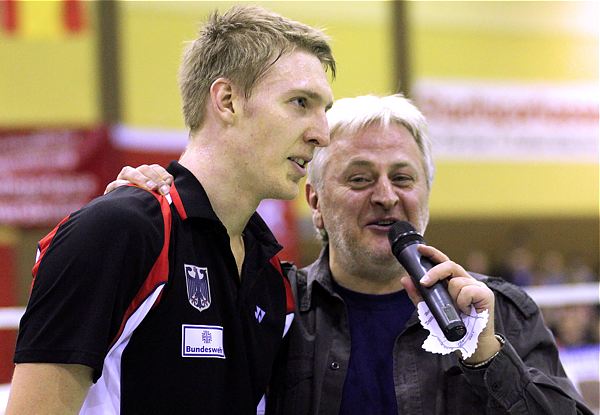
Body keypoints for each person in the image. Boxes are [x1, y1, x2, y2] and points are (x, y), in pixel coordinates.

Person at [113, 94, 593, 415]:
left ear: (425, 194)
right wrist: (146, 217)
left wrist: (487, 354)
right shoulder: (272, 308)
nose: (385, 196)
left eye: (402, 178)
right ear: (316, 204)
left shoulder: (500, 310)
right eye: (359, 179)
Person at [7, 5, 335, 415]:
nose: (321, 133)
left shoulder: (270, 276)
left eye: (326, 110)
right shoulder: (118, 231)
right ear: (228, 101)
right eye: (300, 102)